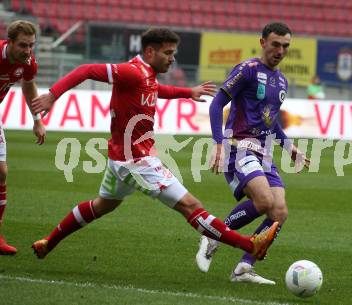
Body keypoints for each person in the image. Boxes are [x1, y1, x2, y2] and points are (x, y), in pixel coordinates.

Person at [30, 28, 279, 263]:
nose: (172, 59)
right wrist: (52, 95)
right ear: (150, 52)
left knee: (102, 205)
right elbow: (85, 69)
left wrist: (186, 92)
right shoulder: (131, 72)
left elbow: (156, 89)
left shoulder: (145, 75)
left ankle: (48, 242)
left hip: (119, 159)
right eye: (168, 53)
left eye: (173, 53)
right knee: (191, 206)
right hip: (137, 161)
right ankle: (250, 245)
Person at [196, 22, 310, 284]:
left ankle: (244, 268)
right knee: (264, 201)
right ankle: (213, 234)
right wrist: (217, 143)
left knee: (279, 212)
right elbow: (217, 104)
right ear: (262, 43)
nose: (280, 50)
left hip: (264, 152)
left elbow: (271, 122)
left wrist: (289, 146)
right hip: (238, 147)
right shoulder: (246, 70)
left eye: (286, 46)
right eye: (275, 44)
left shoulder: (281, 80)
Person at [0, 20, 46, 255]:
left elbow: (28, 87)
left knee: (1, 172)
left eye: (31, 46)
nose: (28, 51)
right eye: (23, 45)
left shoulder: (28, 63)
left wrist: (37, 119)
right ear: (9, 42)